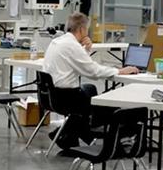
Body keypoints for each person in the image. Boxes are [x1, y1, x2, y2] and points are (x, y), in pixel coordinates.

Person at [43, 12, 139, 148]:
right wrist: (119, 71)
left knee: (90, 89)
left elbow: (80, 64)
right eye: (87, 29)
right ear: (82, 29)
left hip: (52, 96)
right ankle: (90, 133)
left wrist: (86, 50)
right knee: (109, 106)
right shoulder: (72, 46)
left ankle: (70, 131)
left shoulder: (57, 42)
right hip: (67, 97)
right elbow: (93, 71)